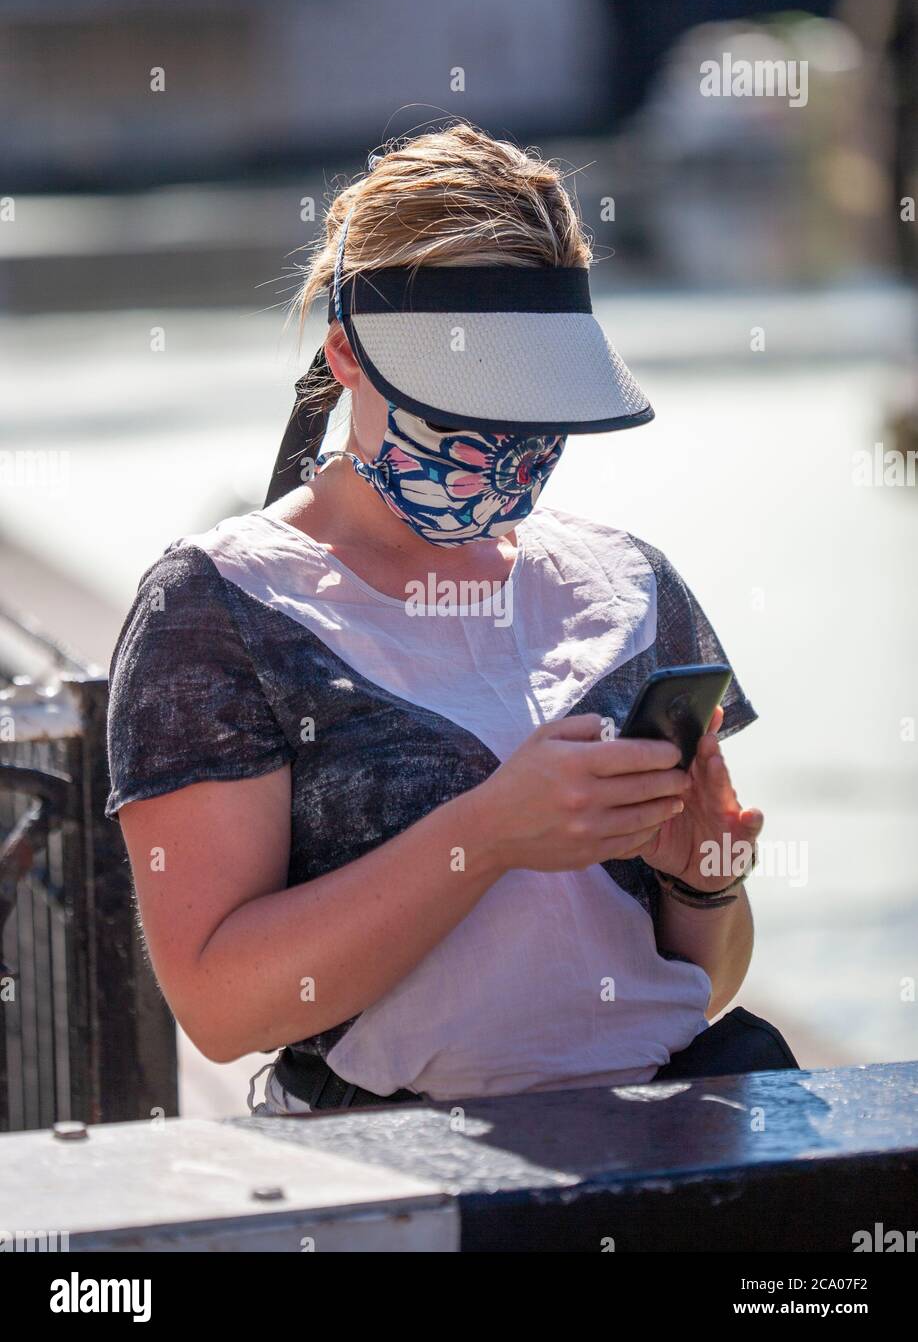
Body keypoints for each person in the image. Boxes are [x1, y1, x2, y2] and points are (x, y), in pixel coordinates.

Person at [104, 122, 798, 1115]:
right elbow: (218, 1006)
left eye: (537, 402)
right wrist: (487, 835)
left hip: (669, 1152)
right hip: (404, 1181)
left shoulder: (631, 586)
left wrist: (703, 885)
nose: (508, 441)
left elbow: (701, 983)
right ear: (346, 352)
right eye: (470, 399)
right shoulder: (220, 608)